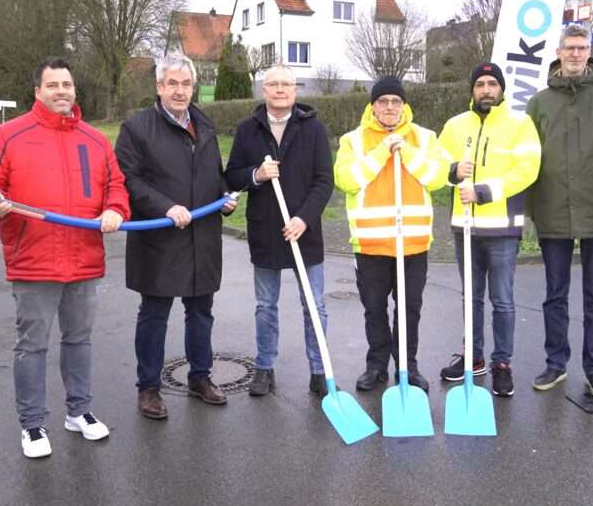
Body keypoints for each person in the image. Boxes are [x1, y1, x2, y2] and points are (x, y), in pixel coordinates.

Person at [0, 57, 129, 458]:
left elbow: (116, 187)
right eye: (53, 85)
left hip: (84, 260)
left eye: (67, 84)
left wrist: (115, 210)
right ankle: (33, 424)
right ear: (37, 92)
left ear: (75, 91)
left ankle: (79, 412)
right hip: (33, 260)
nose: (62, 91)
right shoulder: (7, 135)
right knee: (32, 346)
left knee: (79, 340)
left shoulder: (95, 140)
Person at [115, 54, 238, 420]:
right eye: (172, 84)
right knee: (154, 314)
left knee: (201, 312)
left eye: (186, 84)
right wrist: (165, 207)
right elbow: (128, 180)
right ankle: (148, 387)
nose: (180, 91)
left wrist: (224, 195)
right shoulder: (137, 128)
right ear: (159, 87)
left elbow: (213, 172)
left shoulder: (204, 123)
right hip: (161, 238)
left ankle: (200, 377)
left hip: (202, 236)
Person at [224, 64, 333, 397]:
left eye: (287, 84)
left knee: (315, 305)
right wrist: (256, 174)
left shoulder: (313, 129)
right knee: (265, 306)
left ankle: (319, 369)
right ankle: (264, 368)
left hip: (304, 231)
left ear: (296, 90)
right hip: (266, 231)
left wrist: (304, 218)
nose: (281, 89)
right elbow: (232, 176)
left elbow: (323, 180)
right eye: (274, 84)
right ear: (264, 90)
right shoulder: (248, 130)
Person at [334, 76, 446, 393]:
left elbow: (437, 178)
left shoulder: (424, 137)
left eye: (396, 101)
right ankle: (377, 365)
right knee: (374, 309)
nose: (389, 107)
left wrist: (406, 152)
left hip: (412, 243)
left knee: (410, 310)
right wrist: (383, 151)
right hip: (371, 244)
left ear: (404, 105)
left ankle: (407, 367)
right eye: (383, 101)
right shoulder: (353, 141)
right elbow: (346, 180)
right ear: (373, 106)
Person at [526, 24, 593, 400]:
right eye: (570, 48)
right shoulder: (540, 102)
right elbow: (528, 158)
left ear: (589, 51)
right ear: (559, 52)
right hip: (553, 210)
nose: (576, 54)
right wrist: (529, 209)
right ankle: (555, 363)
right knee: (555, 294)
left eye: (582, 48)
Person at [437, 62, 541, 397]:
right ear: (472, 89)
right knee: (472, 298)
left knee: (503, 300)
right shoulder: (455, 126)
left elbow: (527, 169)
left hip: (501, 230)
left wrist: (483, 191)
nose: (485, 89)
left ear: (501, 89)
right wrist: (452, 171)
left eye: (491, 84)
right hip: (464, 228)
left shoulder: (520, 124)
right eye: (480, 84)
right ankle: (474, 356)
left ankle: (502, 364)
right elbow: (435, 167)